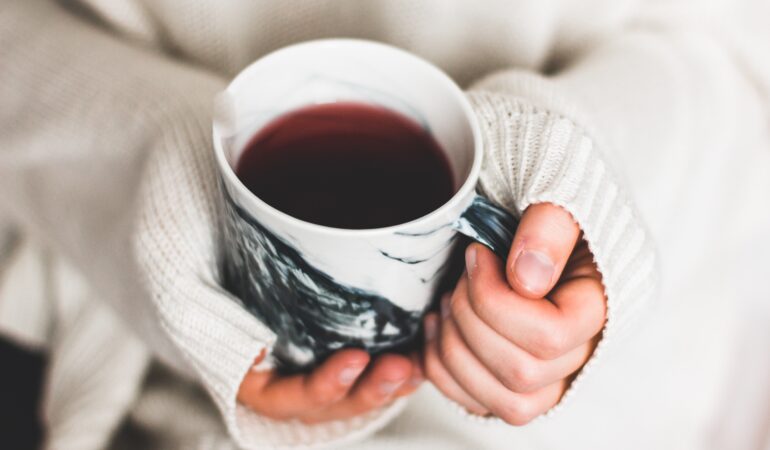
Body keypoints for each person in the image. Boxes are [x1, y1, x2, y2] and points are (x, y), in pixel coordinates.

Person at [1, 0, 769, 448]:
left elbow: (738, 76)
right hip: (134, 371)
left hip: (584, 421)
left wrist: (585, 171)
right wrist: (156, 165)